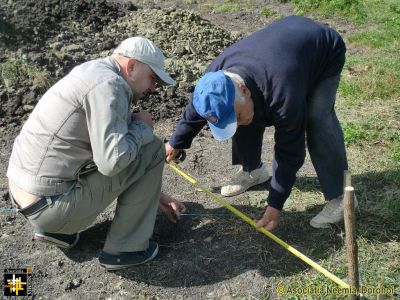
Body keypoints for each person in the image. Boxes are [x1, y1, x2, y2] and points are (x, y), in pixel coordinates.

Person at [7, 37, 186, 271]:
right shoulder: (110, 86)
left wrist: (157, 196)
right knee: (151, 146)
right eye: (153, 78)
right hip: (49, 206)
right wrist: (143, 127)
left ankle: (56, 231)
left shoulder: (92, 71)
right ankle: (125, 250)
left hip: (25, 195)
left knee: (129, 140)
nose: (153, 88)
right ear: (131, 66)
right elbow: (113, 163)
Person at [165, 16, 356, 231]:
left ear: (245, 90)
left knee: (317, 118)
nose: (234, 123)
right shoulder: (215, 78)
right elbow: (199, 108)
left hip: (323, 50)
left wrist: (275, 205)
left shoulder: (283, 92)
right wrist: (175, 142)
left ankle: (341, 197)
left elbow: (289, 152)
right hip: (281, 48)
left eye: (234, 116)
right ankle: (254, 170)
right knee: (246, 116)